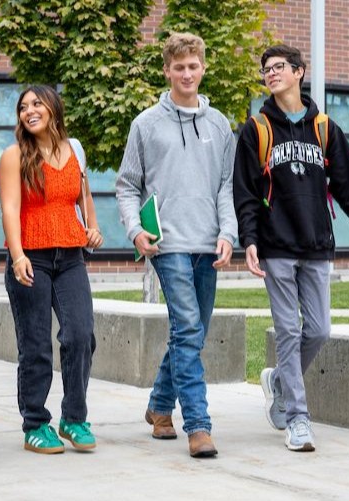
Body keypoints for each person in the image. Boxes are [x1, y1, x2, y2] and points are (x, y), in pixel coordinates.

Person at [233, 44, 349, 452]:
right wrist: (249, 240)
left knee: (319, 330)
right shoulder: (257, 130)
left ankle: (277, 382)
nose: (271, 73)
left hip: (318, 245)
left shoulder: (324, 128)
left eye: (279, 67)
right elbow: (246, 193)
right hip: (276, 246)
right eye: (266, 69)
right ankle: (298, 419)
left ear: (299, 72)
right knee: (288, 330)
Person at [115, 32, 237, 458]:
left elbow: (226, 187)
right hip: (167, 245)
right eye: (179, 67)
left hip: (208, 243)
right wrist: (134, 230)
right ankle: (199, 427)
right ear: (167, 70)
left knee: (192, 333)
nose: (187, 73)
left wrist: (228, 233)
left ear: (203, 68)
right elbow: (127, 186)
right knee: (187, 328)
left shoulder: (220, 124)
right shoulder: (146, 124)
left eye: (193, 65)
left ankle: (159, 407)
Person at [0, 84, 103, 454]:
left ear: (53, 108)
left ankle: (74, 418)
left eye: (36, 103)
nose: (29, 110)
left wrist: (92, 226)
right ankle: (35, 424)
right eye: (23, 107)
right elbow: (10, 208)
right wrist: (17, 255)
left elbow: (83, 195)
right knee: (36, 345)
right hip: (32, 258)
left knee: (80, 336)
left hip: (71, 256)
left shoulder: (74, 149)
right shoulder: (14, 155)